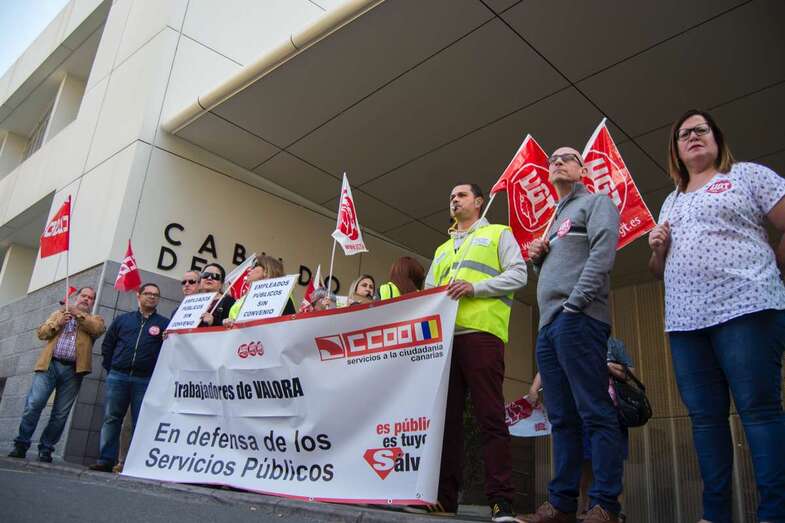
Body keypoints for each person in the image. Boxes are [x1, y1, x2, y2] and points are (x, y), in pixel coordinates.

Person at [648, 109, 785, 523]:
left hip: (747, 307)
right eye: (683, 134)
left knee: (758, 410)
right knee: (705, 421)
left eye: (700, 130)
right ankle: (714, 515)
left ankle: (774, 515)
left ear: (716, 138)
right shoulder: (671, 200)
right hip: (686, 322)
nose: (692, 137)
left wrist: (773, 270)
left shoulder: (746, 175)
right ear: (675, 150)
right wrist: (657, 248)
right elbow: (659, 270)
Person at [524, 147, 623, 523]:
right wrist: (539, 259)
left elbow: (602, 254)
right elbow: (552, 274)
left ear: (582, 169)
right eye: (552, 159)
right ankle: (562, 504)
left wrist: (575, 304)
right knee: (562, 418)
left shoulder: (596, 202)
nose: (557, 162)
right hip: (549, 325)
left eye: (567, 157)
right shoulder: (554, 219)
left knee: (595, 411)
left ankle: (603, 505)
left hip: (578, 318)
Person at [418, 183, 527, 522]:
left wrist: (475, 287)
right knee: (447, 423)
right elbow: (429, 293)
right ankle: (444, 499)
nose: (454, 199)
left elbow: (519, 274)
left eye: (461, 195)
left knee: (490, 418)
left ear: (479, 202)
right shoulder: (442, 248)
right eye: (450, 196)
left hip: (482, 334)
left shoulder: (498, 233)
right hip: (446, 342)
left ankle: (501, 502)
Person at [530, 337, 634, 522]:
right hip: (579, 411)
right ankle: (586, 509)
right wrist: (534, 389)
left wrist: (609, 367)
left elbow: (630, 372)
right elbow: (549, 366)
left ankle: (612, 510)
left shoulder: (613, 344)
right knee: (584, 464)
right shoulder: (562, 338)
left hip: (609, 410)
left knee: (609, 461)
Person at [8, 288, 105, 462]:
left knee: (60, 413)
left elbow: (97, 329)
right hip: (49, 366)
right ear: (76, 298)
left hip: (74, 371)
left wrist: (76, 313)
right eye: (83, 296)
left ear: (92, 302)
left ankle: (46, 448)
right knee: (34, 404)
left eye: (90, 298)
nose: (86, 299)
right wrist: (58, 323)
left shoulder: (95, 319)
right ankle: (21, 444)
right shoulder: (58, 314)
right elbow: (41, 333)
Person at [89, 283, 169, 472]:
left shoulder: (164, 324)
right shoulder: (123, 320)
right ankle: (106, 460)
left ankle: (134, 463)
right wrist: (112, 368)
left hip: (145, 379)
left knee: (140, 421)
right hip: (118, 376)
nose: (152, 297)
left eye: (156, 295)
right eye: (148, 293)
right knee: (112, 418)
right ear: (138, 296)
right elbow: (108, 345)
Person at [223, 255, 296, 327]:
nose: (249, 269)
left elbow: (289, 326)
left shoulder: (282, 293)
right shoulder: (244, 298)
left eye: (254, 266)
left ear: (266, 271)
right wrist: (229, 323)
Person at [197, 263, 235, 327]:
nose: (209, 278)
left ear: (221, 283)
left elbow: (232, 329)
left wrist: (213, 322)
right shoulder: (192, 301)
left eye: (215, 276)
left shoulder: (229, 302)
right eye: (205, 275)